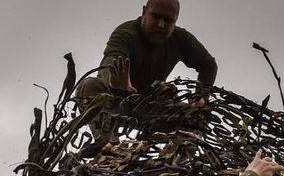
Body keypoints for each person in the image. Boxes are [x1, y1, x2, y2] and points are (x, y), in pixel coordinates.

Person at [76, 0, 217, 154]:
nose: (161, 25)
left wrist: (200, 97)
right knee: (88, 86)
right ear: (144, 12)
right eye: (156, 17)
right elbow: (111, 62)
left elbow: (208, 65)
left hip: (152, 107)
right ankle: (108, 145)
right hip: (118, 101)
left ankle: (180, 160)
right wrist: (116, 83)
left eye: (168, 20)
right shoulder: (125, 33)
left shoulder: (181, 38)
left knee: (196, 115)